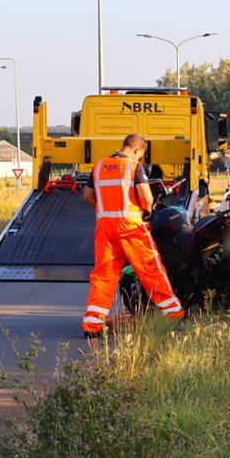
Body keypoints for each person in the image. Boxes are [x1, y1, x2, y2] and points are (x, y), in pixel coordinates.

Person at [81, 134, 184, 340]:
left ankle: (92, 325)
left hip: (105, 227)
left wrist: (105, 209)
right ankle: (173, 313)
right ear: (137, 150)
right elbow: (146, 197)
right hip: (130, 227)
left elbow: (87, 197)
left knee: (104, 275)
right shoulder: (133, 167)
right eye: (141, 155)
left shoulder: (99, 166)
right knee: (150, 268)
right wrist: (145, 212)